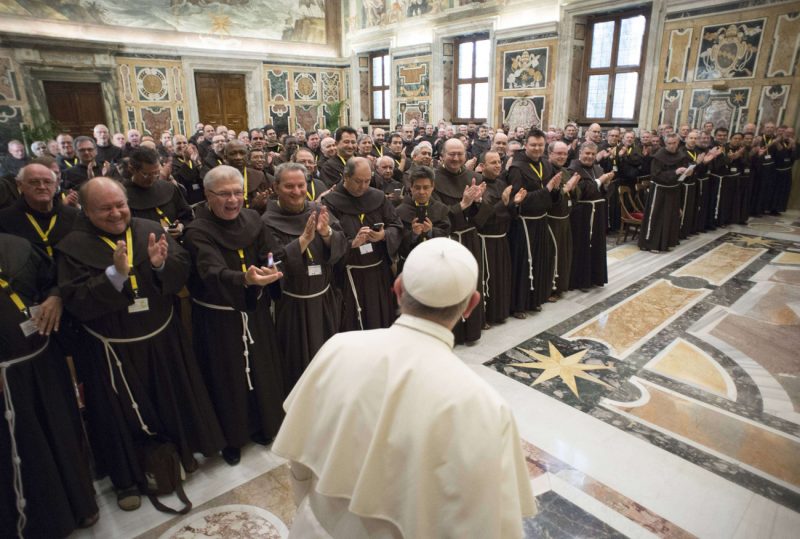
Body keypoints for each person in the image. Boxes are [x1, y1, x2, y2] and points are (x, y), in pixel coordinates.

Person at [273, 237, 536, 538]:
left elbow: (300, 460)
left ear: (398, 289)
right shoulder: (483, 406)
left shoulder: (337, 348)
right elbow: (486, 525)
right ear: (471, 305)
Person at [56, 177, 224, 510]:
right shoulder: (72, 246)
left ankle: (179, 456)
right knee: (119, 416)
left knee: (170, 399)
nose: (116, 213)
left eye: (120, 205)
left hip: (161, 338)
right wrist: (114, 276)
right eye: (105, 208)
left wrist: (161, 265)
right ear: (85, 210)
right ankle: (128, 479)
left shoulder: (149, 229)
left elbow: (182, 266)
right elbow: (75, 300)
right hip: (111, 350)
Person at [182, 166, 285, 466]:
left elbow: (270, 251)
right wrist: (244, 280)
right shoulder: (197, 231)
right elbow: (210, 269)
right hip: (219, 320)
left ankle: (264, 425)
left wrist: (270, 265)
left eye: (238, 193)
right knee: (226, 378)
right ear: (207, 195)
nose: (233, 200)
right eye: (224, 194)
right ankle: (232, 438)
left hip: (254, 310)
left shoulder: (253, 218)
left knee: (261, 370)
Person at [0, 233, 99, 537]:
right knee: (26, 447)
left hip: (44, 361)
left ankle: (80, 505)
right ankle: (43, 524)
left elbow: (53, 280)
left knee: (62, 431)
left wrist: (55, 297)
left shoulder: (16, 245)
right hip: (6, 378)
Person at [262, 163, 347, 390]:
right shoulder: (266, 221)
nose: (297, 191)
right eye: (289, 186)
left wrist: (326, 233)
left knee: (327, 356)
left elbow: (342, 243)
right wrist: (302, 242)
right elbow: (270, 261)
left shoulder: (318, 210)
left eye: (301, 185)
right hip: (293, 306)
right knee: (297, 362)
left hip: (324, 300)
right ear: (276, 187)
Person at [322, 157, 402, 331]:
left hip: (378, 271)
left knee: (381, 317)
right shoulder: (331, 201)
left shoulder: (378, 196)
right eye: (358, 181)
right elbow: (329, 235)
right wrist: (352, 243)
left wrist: (383, 235)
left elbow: (396, 225)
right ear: (346, 177)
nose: (363, 187)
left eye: (367, 181)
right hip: (350, 273)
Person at [434, 138, 484, 343]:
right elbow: (436, 215)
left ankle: (471, 330)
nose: (455, 158)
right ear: (442, 156)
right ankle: (450, 332)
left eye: (460, 154)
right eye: (451, 154)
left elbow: (482, 219)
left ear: (466, 155)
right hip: (449, 242)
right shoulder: (433, 179)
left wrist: (478, 203)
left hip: (470, 239)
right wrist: (462, 205)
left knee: (470, 284)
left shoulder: (474, 178)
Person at [508, 129, 561, 316]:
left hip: (541, 221)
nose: (537, 148)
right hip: (524, 224)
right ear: (525, 145)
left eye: (540, 145)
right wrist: (547, 190)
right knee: (523, 265)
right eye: (533, 145)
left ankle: (535, 300)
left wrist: (555, 190)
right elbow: (517, 199)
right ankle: (518, 305)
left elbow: (551, 194)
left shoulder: (546, 164)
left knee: (539, 262)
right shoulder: (516, 168)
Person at [474, 151, 516, 324]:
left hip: (501, 238)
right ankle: (486, 316)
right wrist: (503, 203)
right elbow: (482, 218)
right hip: (485, 241)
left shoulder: (501, 183)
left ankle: (500, 313)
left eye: (499, 162)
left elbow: (509, 214)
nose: (498, 165)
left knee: (501, 277)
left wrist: (514, 203)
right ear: (482, 166)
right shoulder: (478, 185)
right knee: (487, 279)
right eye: (493, 162)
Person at [568, 142, 613, 290]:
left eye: (593, 154)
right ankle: (581, 281)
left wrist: (606, 184)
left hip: (597, 212)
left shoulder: (598, 168)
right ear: (580, 153)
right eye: (587, 153)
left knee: (596, 245)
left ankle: (595, 277)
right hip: (582, 214)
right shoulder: (573, 169)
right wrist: (600, 181)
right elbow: (582, 191)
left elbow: (603, 192)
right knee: (582, 246)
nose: (590, 157)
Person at [124, 147, 192, 236]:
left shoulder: (169, 188)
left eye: (156, 173)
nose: (152, 179)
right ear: (132, 169)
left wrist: (181, 226)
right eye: (146, 174)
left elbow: (187, 216)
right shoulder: (122, 195)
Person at [638, 133, 688, 252]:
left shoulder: (681, 155)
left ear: (678, 143)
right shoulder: (659, 156)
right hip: (659, 190)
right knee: (657, 216)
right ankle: (651, 244)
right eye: (669, 143)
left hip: (673, 189)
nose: (672, 146)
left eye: (674, 143)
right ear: (665, 143)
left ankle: (667, 243)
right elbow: (656, 175)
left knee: (671, 216)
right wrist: (675, 172)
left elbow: (683, 173)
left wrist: (687, 173)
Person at [395, 166, 451, 270]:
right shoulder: (399, 211)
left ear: (432, 187)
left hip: (436, 264)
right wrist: (413, 235)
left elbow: (446, 234)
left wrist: (431, 231)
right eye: (417, 187)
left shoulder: (441, 208)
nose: (421, 192)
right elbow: (397, 242)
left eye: (426, 187)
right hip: (410, 264)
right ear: (411, 187)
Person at [546, 141, 579, 299]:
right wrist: (565, 189)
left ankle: (561, 286)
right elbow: (547, 198)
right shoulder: (546, 171)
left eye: (565, 154)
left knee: (563, 254)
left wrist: (573, 189)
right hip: (551, 221)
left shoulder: (565, 171)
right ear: (550, 154)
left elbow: (575, 195)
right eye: (559, 153)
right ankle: (550, 288)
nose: (562, 157)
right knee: (552, 255)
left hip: (565, 219)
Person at [223, 140, 270, 213]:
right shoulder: (217, 178)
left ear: (247, 156)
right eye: (233, 154)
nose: (238, 157)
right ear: (225, 157)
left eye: (242, 153)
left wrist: (262, 204)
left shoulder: (259, 176)